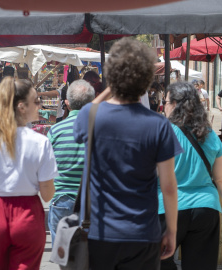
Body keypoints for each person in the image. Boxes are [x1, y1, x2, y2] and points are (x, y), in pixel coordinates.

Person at [73, 37, 182, 270]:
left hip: (98, 232)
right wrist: (171, 230)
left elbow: (90, 107)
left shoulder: (89, 117)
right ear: (146, 80)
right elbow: (169, 186)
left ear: (110, 77)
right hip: (142, 233)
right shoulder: (159, 125)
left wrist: (113, 85)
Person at [0, 77, 57, 270]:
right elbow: (47, 194)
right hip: (28, 213)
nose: (39, 106)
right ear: (22, 107)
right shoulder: (41, 142)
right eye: (36, 101)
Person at [160, 82, 222, 270]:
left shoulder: (162, 133)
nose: (163, 106)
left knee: (157, 261)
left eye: (165, 101)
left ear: (175, 104)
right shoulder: (209, 134)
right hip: (205, 208)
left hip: (168, 209)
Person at [47, 79, 95, 245]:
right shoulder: (100, 129)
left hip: (62, 199)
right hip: (92, 200)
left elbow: (47, 166)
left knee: (63, 256)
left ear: (67, 103)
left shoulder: (55, 130)